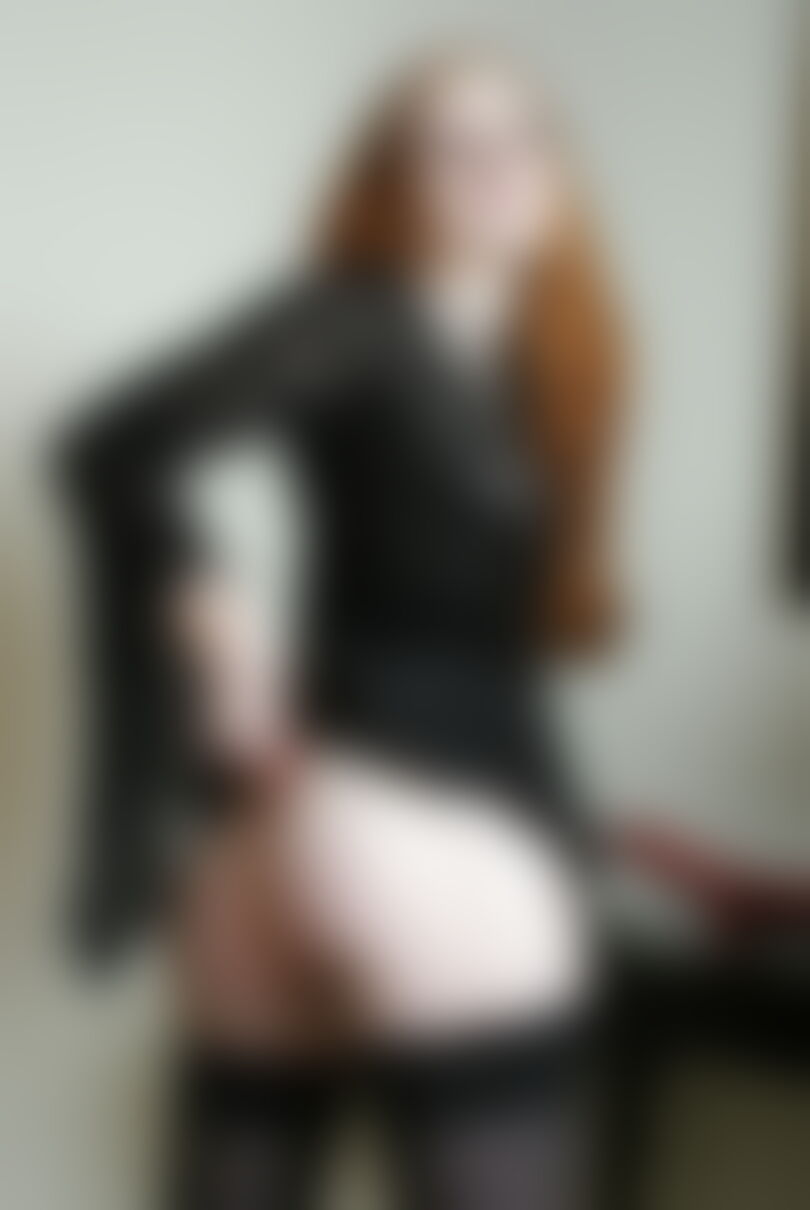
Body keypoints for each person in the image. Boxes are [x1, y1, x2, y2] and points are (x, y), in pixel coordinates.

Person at [56, 44, 626, 1210]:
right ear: (392, 183)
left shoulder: (537, 358)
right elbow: (109, 447)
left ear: (561, 167)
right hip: (407, 812)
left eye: (527, 138)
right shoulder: (359, 318)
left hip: (285, 844)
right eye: (453, 148)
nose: (500, 168)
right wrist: (223, 637)